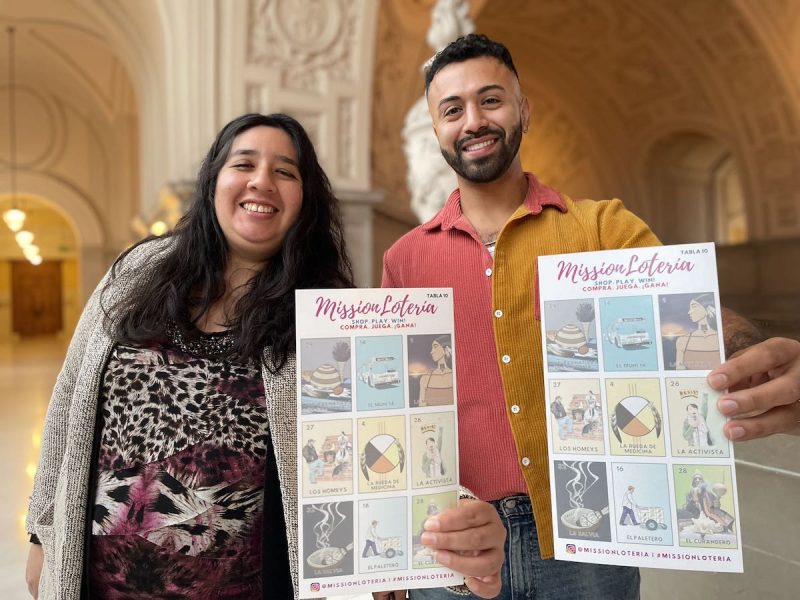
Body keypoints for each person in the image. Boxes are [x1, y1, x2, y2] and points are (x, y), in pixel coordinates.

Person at [379, 33, 800, 600]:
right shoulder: (404, 260)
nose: (473, 120)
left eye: (491, 100)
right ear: (437, 130)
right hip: (457, 540)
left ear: (524, 111)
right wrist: (388, 561)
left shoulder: (603, 229)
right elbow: (394, 412)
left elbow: (684, 313)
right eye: (452, 110)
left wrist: (750, 354)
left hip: (589, 540)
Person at [24, 113, 505, 600]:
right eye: (244, 164)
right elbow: (69, 402)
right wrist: (41, 532)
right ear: (214, 181)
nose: (262, 181)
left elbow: (387, 442)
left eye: (285, 171)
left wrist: (459, 538)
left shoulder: (328, 317)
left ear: (306, 199)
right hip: (102, 585)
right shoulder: (137, 271)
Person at [675, 293, 721, 370]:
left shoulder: (721, 338)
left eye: (694, 307)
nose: (689, 312)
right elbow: (679, 371)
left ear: (708, 307)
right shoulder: (682, 340)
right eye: (689, 308)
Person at [418, 334, 454, 406]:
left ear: (446, 348)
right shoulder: (425, 379)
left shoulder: (454, 376)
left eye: (435, 347)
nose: (431, 352)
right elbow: (421, 406)